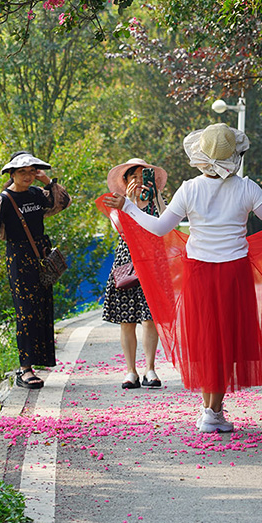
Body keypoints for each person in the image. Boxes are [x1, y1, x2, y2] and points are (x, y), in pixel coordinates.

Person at [100, 122, 262, 434]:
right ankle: (212, 411)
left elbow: (159, 228)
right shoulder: (246, 187)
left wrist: (127, 206)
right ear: (235, 155)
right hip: (234, 273)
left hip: (200, 273)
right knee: (225, 340)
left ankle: (211, 409)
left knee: (207, 340)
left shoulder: (190, 188)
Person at [0, 150, 71, 390]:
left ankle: (38, 361)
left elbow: (62, 202)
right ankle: (25, 369)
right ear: (12, 173)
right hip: (19, 258)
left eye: (31, 172)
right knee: (25, 311)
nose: (27, 177)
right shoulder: (4, 199)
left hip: (41, 256)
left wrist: (47, 180)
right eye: (22, 172)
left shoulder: (37, 193)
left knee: (42, 308)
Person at [102, 158, 167, 390]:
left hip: (153, 263)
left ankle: (150, 369)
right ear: (126, 181)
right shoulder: (117, 204)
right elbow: (120, 228)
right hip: (126, 263)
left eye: (143, 176)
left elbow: (166, 224)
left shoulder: (158, 201)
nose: (139, 181)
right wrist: (128, 203)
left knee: (150, 318)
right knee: (126, 320)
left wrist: (156, 198)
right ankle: (131, 371)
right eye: (134, 177)